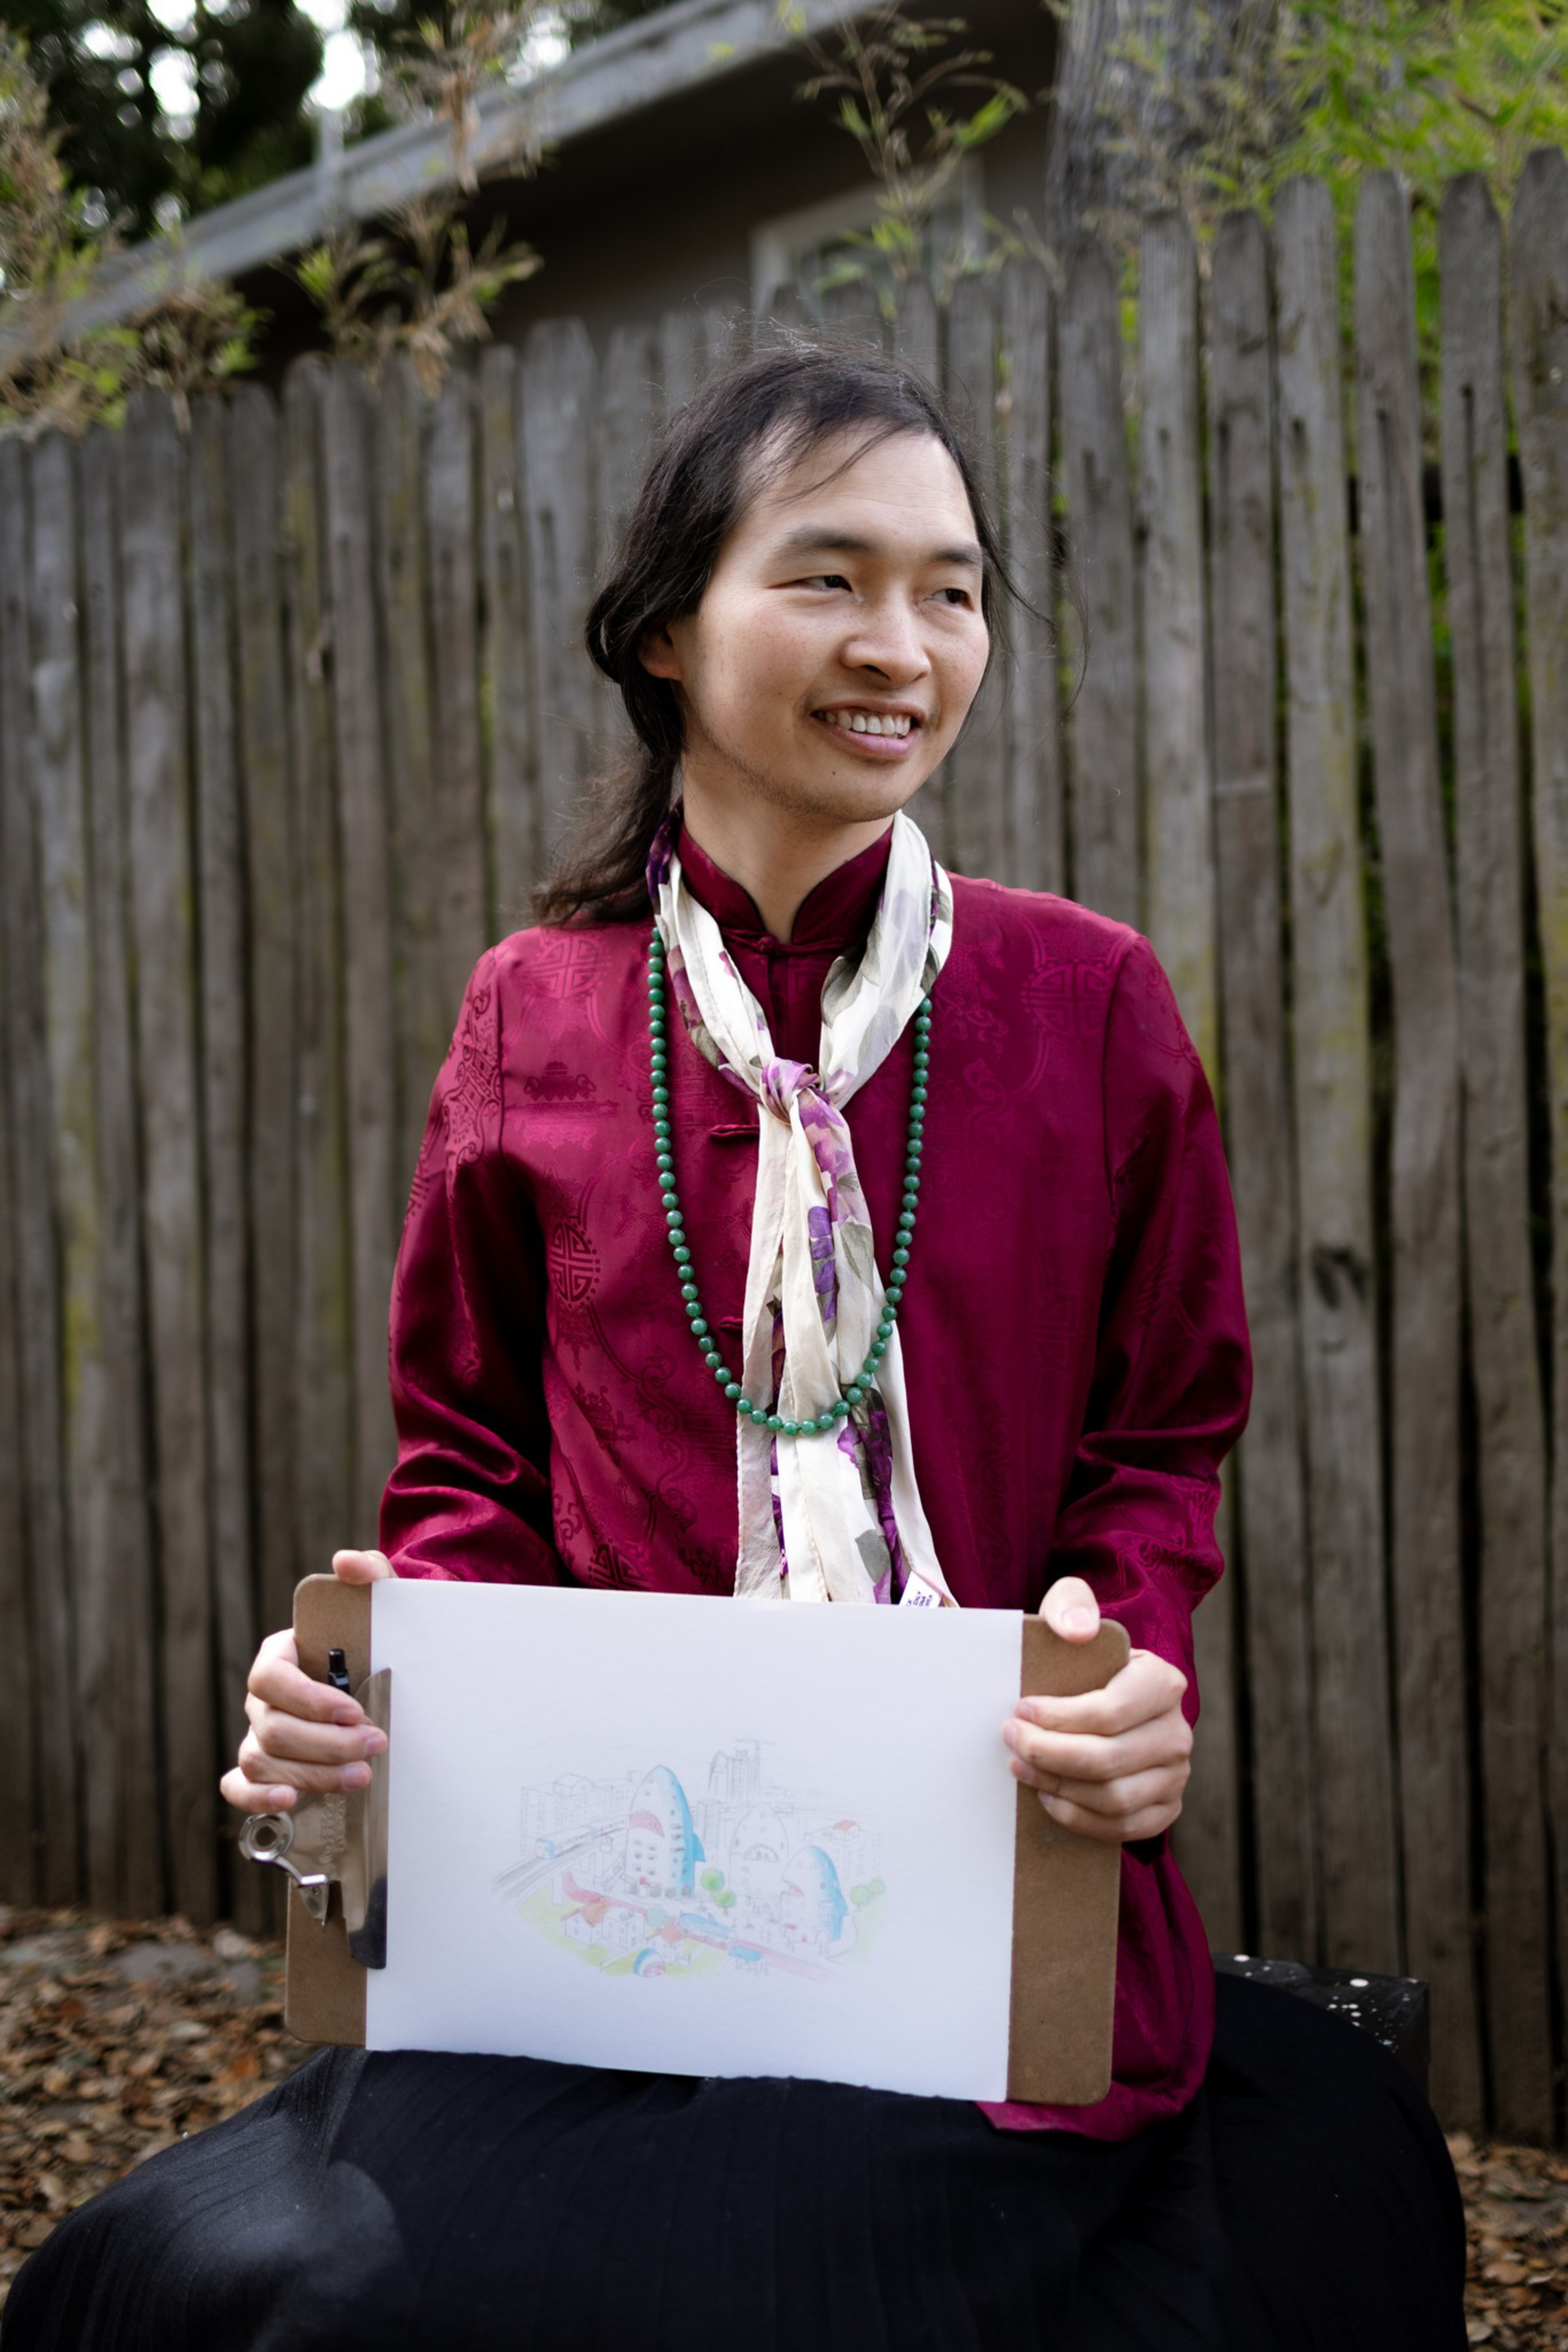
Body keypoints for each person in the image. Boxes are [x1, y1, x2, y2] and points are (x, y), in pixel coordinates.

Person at [4, 343, 1466, 2352]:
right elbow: (470, 1473)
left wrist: (1124, 1656)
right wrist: (369, 1705)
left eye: (952, 589)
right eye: (833, 574)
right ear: (667, 630)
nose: (907, 643)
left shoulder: (1089, 1004)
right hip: (609, 1926)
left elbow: (1158, 1437)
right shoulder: (532, 1015)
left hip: (996, 1908)